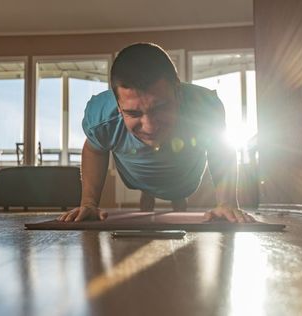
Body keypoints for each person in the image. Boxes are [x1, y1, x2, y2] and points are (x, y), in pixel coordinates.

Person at [57, 43, 254, 223]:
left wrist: (227, 203)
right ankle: (148, 191)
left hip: (184, 179)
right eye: (133, 113)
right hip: (138, 178)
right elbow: (95, 150)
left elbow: (221, 150)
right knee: (148, 190)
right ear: (118, 106)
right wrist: (88, 204)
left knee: (179, 193)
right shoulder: (101, 117)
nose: (150, 127)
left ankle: (174, 196)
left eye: (160, 108)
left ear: (178, 92)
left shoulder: (204, 108)